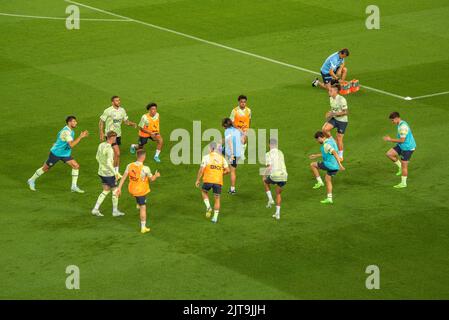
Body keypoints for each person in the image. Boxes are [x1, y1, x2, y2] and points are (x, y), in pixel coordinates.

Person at [27, 116, 88, 193]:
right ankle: (31, 180)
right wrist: (80, 137)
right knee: (45, 168)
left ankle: (74, 186)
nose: (76, 123)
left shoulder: (70, 131)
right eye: (74, 121)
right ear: (69, 122)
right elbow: (71, 145)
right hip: (56, 153)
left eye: (76, 121)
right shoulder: (66, 132)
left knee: (76, 166)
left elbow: (60, 138)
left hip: (65, 154)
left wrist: (57, 143)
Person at [116, 149, 160, 234]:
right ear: (144, 157)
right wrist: (156, 175)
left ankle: (138, 203)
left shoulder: (129, 165)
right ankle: (143, 227)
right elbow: (152, 179)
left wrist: (119, 188)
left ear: (137, 156)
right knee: (143, 207)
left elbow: (124, 177)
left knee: (140, 196)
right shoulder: (145, 168)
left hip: (131, 189)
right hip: (140, 191)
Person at [99, 96, 137, 176]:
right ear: (112, 102)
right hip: (110, 135)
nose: (118, 102)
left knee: (113, 154)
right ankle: (115, 173)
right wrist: (101, 132)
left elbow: (126, 121)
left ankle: (112, 170)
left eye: (119, 100)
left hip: (118, 134)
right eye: (116, 100)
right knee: (117, 153)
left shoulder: (122, 110)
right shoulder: (108, 111)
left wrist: (132, 124)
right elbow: (101, 121)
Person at [92, 131, 125, 217]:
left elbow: (97, 157)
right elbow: (109, 163)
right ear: (112, 138)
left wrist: (101, 165)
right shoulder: (110, 149)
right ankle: (115, 211)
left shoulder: (101, 145)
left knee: (106, 190)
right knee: (116, 190)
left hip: (101, 172)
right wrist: (116, 173)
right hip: (108, 173)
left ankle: (95, 209)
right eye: (115, 138)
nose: (115, 139)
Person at [195, 142, 230, 223]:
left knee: (204, 192)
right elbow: (228, 170)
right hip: (218, 181)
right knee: (217, 199)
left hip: (208, 180)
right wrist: (220, 173)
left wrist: (198, 180)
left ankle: (208, 207)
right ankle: (215, 218)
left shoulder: (206, 157)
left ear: (211, 148)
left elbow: (201, 170)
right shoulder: (222, 158)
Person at [309, 131, 345, 204]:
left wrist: (340, 164)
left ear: (320, 138)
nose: (317, 141)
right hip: (335, 166)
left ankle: (319, 182)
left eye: (317, 140)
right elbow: (328, 153)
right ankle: (329, 198)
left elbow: (334, 153)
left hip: (330, 164)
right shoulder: (331, 141)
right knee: (328, 179)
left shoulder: (326, 145)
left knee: (312, 165)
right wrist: (316, 155)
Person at [383, 112, 416, 189]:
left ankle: (403, 183)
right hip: (402, 146)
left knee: (405, 166)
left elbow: (402, 140)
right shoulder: (401, 123)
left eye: (392, 120)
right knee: (389, 154)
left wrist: (390, 139)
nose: (392, 122)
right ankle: (400, 167)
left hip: (408, 148)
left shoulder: (403, 127)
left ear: (397, 118)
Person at [263, 139, 288, 220]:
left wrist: (264, 175)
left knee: (265, 181)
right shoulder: (281, 152)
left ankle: (270, 199)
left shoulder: (268, 154)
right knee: (278, 193)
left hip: (275, 175)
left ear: (269, 145)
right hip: (284, 176)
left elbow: (269, 167)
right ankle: (277, 213)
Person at [322, 85, 348, 159]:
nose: (329, 92)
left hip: (342, 121)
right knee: (324, 129)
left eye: (331, 91)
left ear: (336, 91)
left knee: (339, 138)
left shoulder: (341, 99)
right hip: (334, 118)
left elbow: (345, 112)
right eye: (329, 90)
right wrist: (329, 113)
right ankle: (333, 142)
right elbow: (334, 109)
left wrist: (333, 114)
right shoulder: (331, 98)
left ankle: (340, 155)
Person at [222, 117, 243, 194]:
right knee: (220, 148)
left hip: (232, 154)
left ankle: (232, 189)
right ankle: (232, 189)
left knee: (232, 171)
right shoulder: (237, 130)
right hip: (238, 153)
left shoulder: (227, 131)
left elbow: (230, 142)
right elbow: (243, 139)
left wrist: (232, 154)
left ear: (224, 126)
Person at [229, 95, 251, 160]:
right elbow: (231, 121)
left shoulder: (249, 110)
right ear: (239, 102)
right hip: (236, 129)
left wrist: (248, 128)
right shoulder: (234, 111)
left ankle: (242, 154)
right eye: (241, 102)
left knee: (244, 141)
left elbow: (249, 119)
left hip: (245, 129)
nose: (243, 103)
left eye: (244, 102)